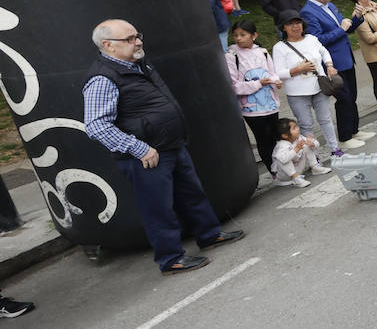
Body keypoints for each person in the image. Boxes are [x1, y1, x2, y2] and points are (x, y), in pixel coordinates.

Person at [83, 19, 244, 275]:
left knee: (193, 194)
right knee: (158, 209)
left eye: (137, 35)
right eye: (129, 39)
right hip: (146, 156)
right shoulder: (102, 78)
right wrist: (138, 149)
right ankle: (171, 259)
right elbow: (96, 126)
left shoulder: (138, 64)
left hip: (171, 145)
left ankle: (209, 235)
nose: (138, 41)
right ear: (108, 46)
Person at [300, 0, 365, 147]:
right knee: (343, 98)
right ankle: (345, 137)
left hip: (346, 58)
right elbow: (317, 40)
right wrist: (341, 29)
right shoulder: (307, 12)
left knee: (352, 96)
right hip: (332, 63)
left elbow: (346, 29)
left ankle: (354, 130)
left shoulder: (330, 5)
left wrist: (356, 18)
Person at [272, 10, 342, 157]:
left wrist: (329, 65)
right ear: (283, 28)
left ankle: (335, 149)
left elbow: (324, 51)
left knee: (326, 119)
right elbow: (278, 73)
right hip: (297, 93)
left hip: (319, 86)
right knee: (306, 125)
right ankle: (313, 156)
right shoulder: (279, 47)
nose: (295, 26)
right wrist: (298, 69)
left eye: (297, 22)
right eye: (290, 24)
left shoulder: (311, 38)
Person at [224, 19, 282, 171]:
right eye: (235, 35)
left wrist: (276, 81)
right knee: (263, 141)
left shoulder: (262, 52)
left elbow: (272, 73)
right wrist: (258, 84)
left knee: (276, 138)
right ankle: (274, 171)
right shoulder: (231, 56)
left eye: (243, 34)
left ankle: (285, 168)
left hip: (271, 105)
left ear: (254, 35)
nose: (238, 38)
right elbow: (234, 86)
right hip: (252, 110)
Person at [271, 117, 327, 187]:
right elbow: (283, 159)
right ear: (285, 135)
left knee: (306, 145)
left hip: (297, 169)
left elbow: (316, 143)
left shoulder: (299, 137)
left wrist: (312, 144)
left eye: (296, 126)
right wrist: (296, 149)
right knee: (282, 158)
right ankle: (296, 178)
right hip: (284, 176)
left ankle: (315, 167)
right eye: (294, 128)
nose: (298, 128)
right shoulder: (281, 145)